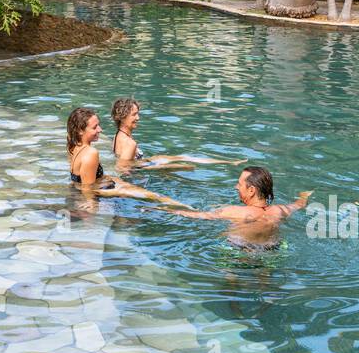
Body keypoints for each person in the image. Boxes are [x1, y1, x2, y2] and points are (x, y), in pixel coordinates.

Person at [154, 166, 312, 248]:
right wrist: (304, 195)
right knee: (265, 280)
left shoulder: (234, 211)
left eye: (240, 184)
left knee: (230, 285)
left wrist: (162, 209)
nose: (236, 187)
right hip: (272, 250)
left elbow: (199, 215)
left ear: (251, 191)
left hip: (239, 252)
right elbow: (299, 204)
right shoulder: (280, 211)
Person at [66, 107, 187, 206]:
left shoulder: (74, 147)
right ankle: (190, 211)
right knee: (153, 197)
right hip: (104, 192)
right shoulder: (91, 153)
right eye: (94, 127)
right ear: (80, 131)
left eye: (98, 125)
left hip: (105, 184)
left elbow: (79, 180)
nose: (100, 129)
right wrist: (93, 206)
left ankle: (188, 209)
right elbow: (87, 189)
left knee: (150, 195)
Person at [110, 97, 246, 169]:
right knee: (188, 166)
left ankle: (228, 162)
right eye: (134, 115)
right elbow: (124, 168)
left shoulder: (117, 136)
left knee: (183, 157)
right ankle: (229, 162)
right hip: (144, 166)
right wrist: (157, 168)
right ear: (122, 117)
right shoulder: (129, 143)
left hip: (146, 162)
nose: (138, 118)